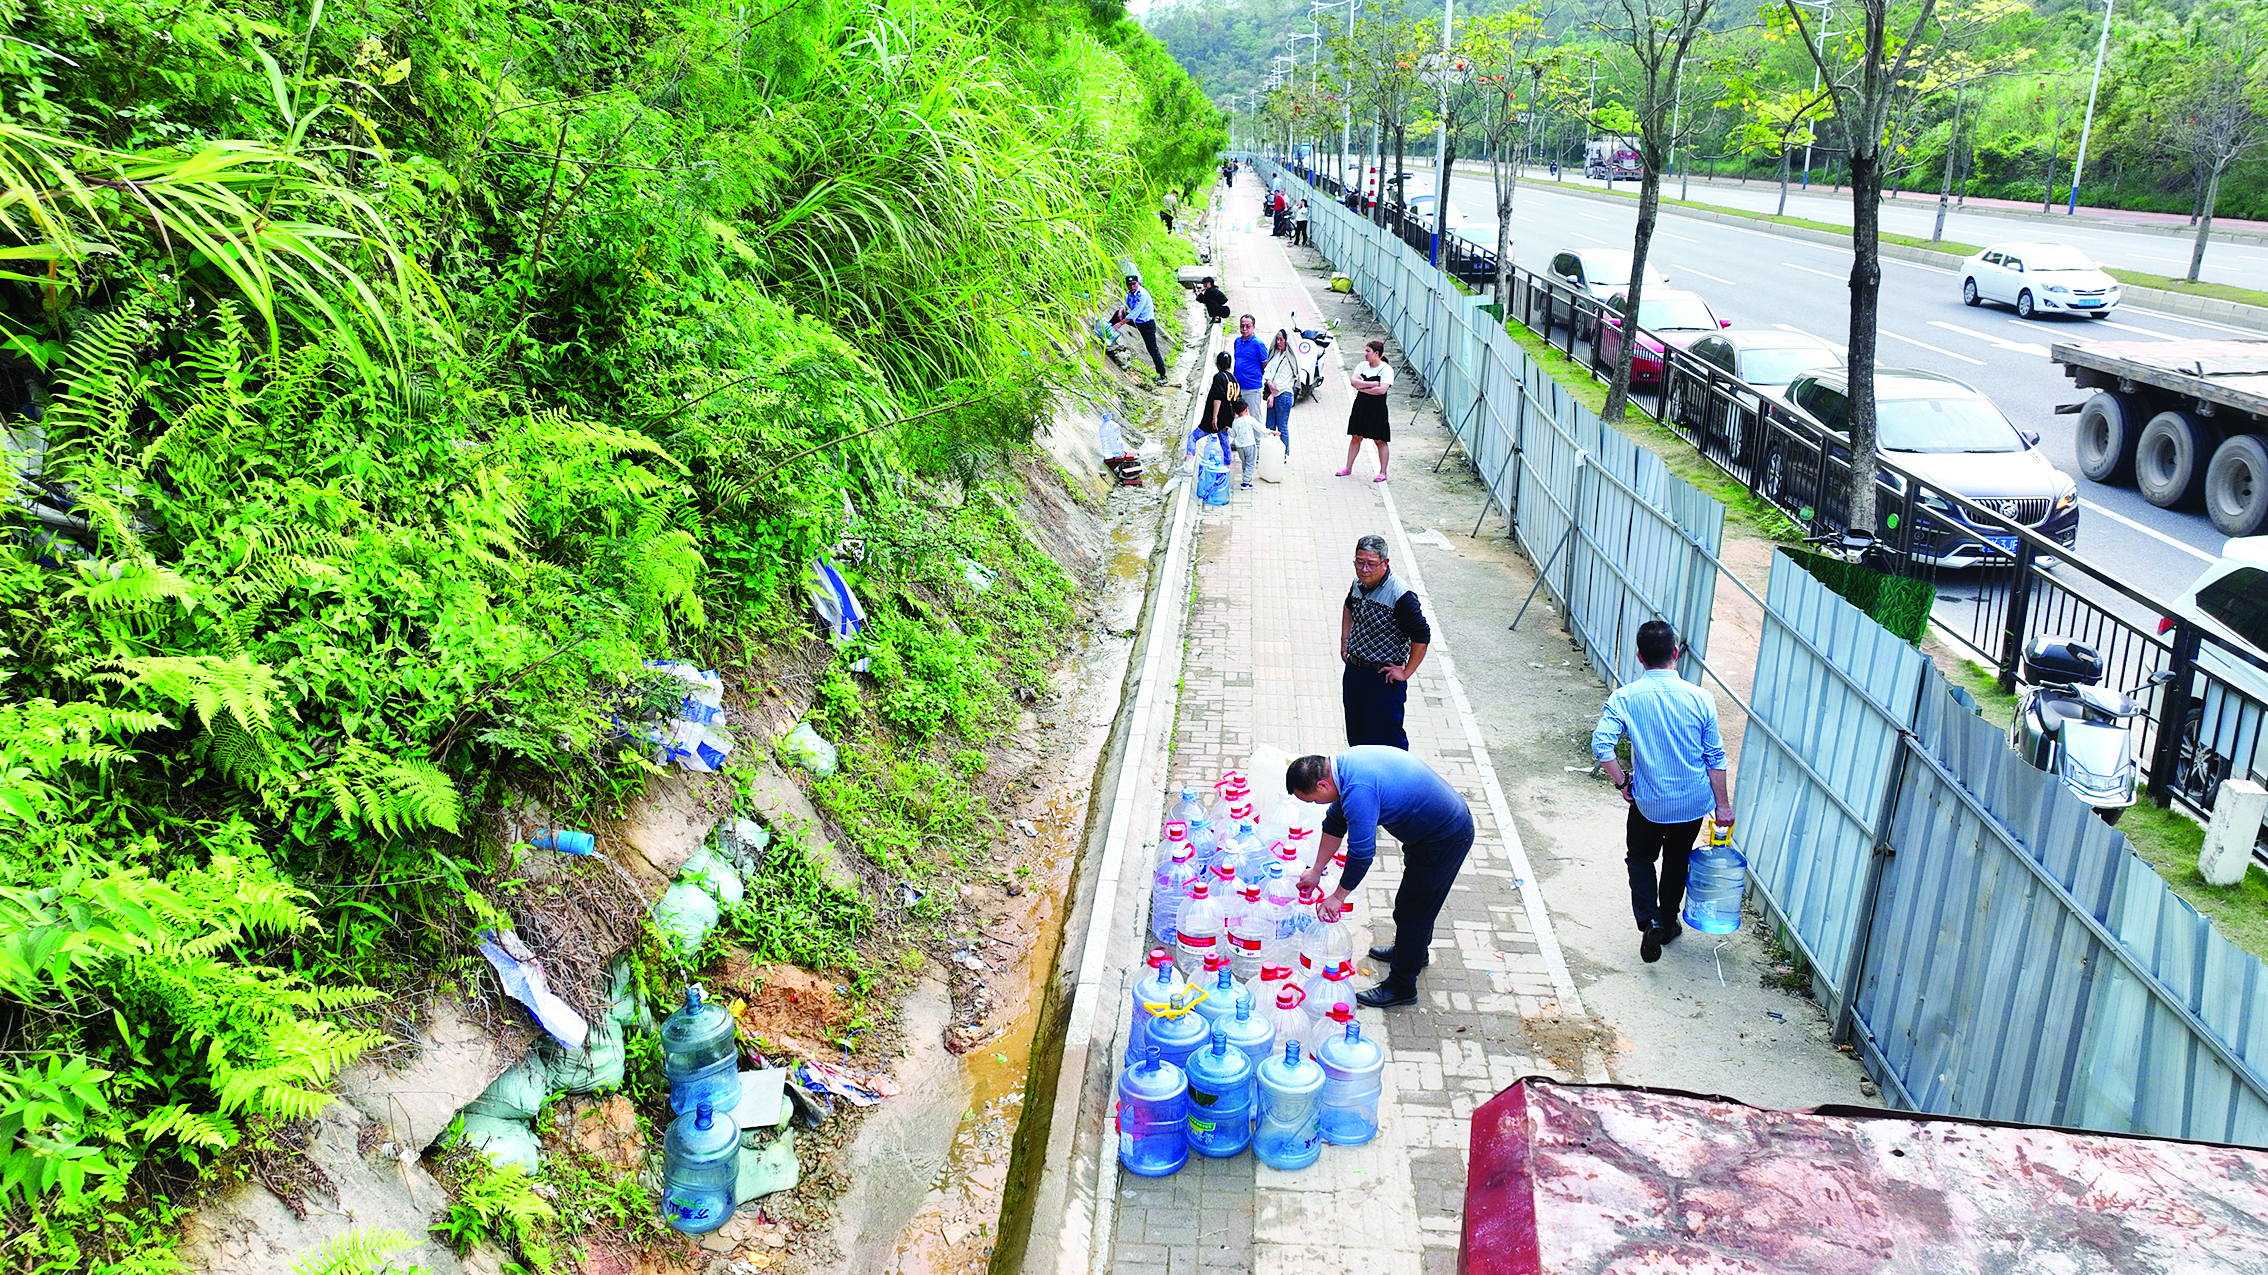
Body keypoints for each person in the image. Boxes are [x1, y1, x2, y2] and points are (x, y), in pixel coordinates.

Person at [1591, 620, 1733, 965]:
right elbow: (1715, 757)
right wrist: (1723, 806)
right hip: (1691, 801)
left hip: (1650, 801)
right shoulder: (1701, 698)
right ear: (1676, 653)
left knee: (1641, 858)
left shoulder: (1625, 697)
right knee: (1677, 859)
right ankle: (1668, 924)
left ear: (1639, 656)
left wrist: (1622, 782)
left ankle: (1648, 919)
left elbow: (1602, 746)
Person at [1286, 749, 1474, 1009]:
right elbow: (1335, 823)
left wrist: (1338, 897)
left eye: (1314, 800)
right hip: (1430, 833)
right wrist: (1316, 870)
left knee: (1413, 913)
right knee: (1414, 906)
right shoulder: (1343, 770)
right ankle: (1413, 953)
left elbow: (1362, 854)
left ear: (1322, 785)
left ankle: (1402, 986)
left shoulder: (1358, 792)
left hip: (1445, 837)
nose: (1317, 805)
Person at [1341, 534, 1429, 750]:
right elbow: (1349, 606)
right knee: (1357, 738)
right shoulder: (1358, 584)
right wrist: (1345, 639)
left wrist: (1406, 672)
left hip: (1383, 679)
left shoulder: (1400, 595)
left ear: (1385, 563)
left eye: (1371, 564)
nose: (1364, 569)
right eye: (1359, 562)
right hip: (1355, 672)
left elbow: (1421, 636)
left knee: (1387, 743)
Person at [1340, 339, 1394, 481]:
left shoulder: (1386, 369)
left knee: (1379, 440)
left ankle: (1383, 472)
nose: (1365, 354)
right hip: (1361, 405)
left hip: (1377, 408)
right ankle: (1348, 468)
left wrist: (1362, 388)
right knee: (1356, 437)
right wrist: (1372, 384)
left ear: (1376, 353)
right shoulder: (1362, 366)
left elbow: (1381, 390)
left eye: (1368, 351)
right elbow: (1354, 382)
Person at [1122, 273, 1167, 383]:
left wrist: (1120, 324)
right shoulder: (1131, 294)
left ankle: (1162, 375)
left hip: (1146, 325)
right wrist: (1120, 309)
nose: (1132, 287)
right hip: (1137, 322)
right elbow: (1125, 302)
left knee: (1152, 349)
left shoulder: (1142, 295)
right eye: (1130, 285)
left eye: (1134, 284)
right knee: (1118, 315)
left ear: (1138, 283)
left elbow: (1134, 313)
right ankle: (1106, 331)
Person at [1262, 329, 1298, 457]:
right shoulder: (1276, 354)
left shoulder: (1290, 359)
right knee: (1270, 424)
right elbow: (1268, 370)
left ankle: (1284, 454)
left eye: (1281, 339)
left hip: (1284, 395)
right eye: (1277, 339)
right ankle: (1270, 451)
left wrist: (1272, 394)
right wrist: (1269, 381)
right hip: (1273, 393)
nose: (1278, 342)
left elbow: (1283, 381)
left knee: (1282, 426)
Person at [1231, 314, 1267, 417]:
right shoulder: (1237, 341)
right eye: (1242, 326)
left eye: (1248, 326)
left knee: (1254, 416)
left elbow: (1265, 363)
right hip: (1238, 386)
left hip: (1252, 387)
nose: (1244, 329)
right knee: (1239, 416)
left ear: (1253, 327)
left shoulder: (1258, 344)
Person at [1229, 397, 1260, 489]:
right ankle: (1246, 482)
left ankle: (1246, 478)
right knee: (1250, 464)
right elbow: (1260, 429)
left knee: (1244, 463)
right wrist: (1270, 432)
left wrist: (1228, 430)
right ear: (1247, 409)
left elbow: (1233, 434)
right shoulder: (1250, 419)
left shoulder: (1235, 422)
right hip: (1250, 445)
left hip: (1239, 447)